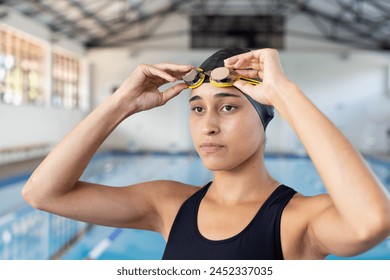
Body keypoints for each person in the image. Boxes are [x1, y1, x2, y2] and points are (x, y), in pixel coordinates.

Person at [22, 47, 390, 260]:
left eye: (228, 107)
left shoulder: (299, 221)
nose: (208, 125)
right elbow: (42, 193)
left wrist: (285, 93)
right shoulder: (168, 204)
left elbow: (371, 221)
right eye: (197, 108)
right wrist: (120, 103)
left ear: (264, 116)